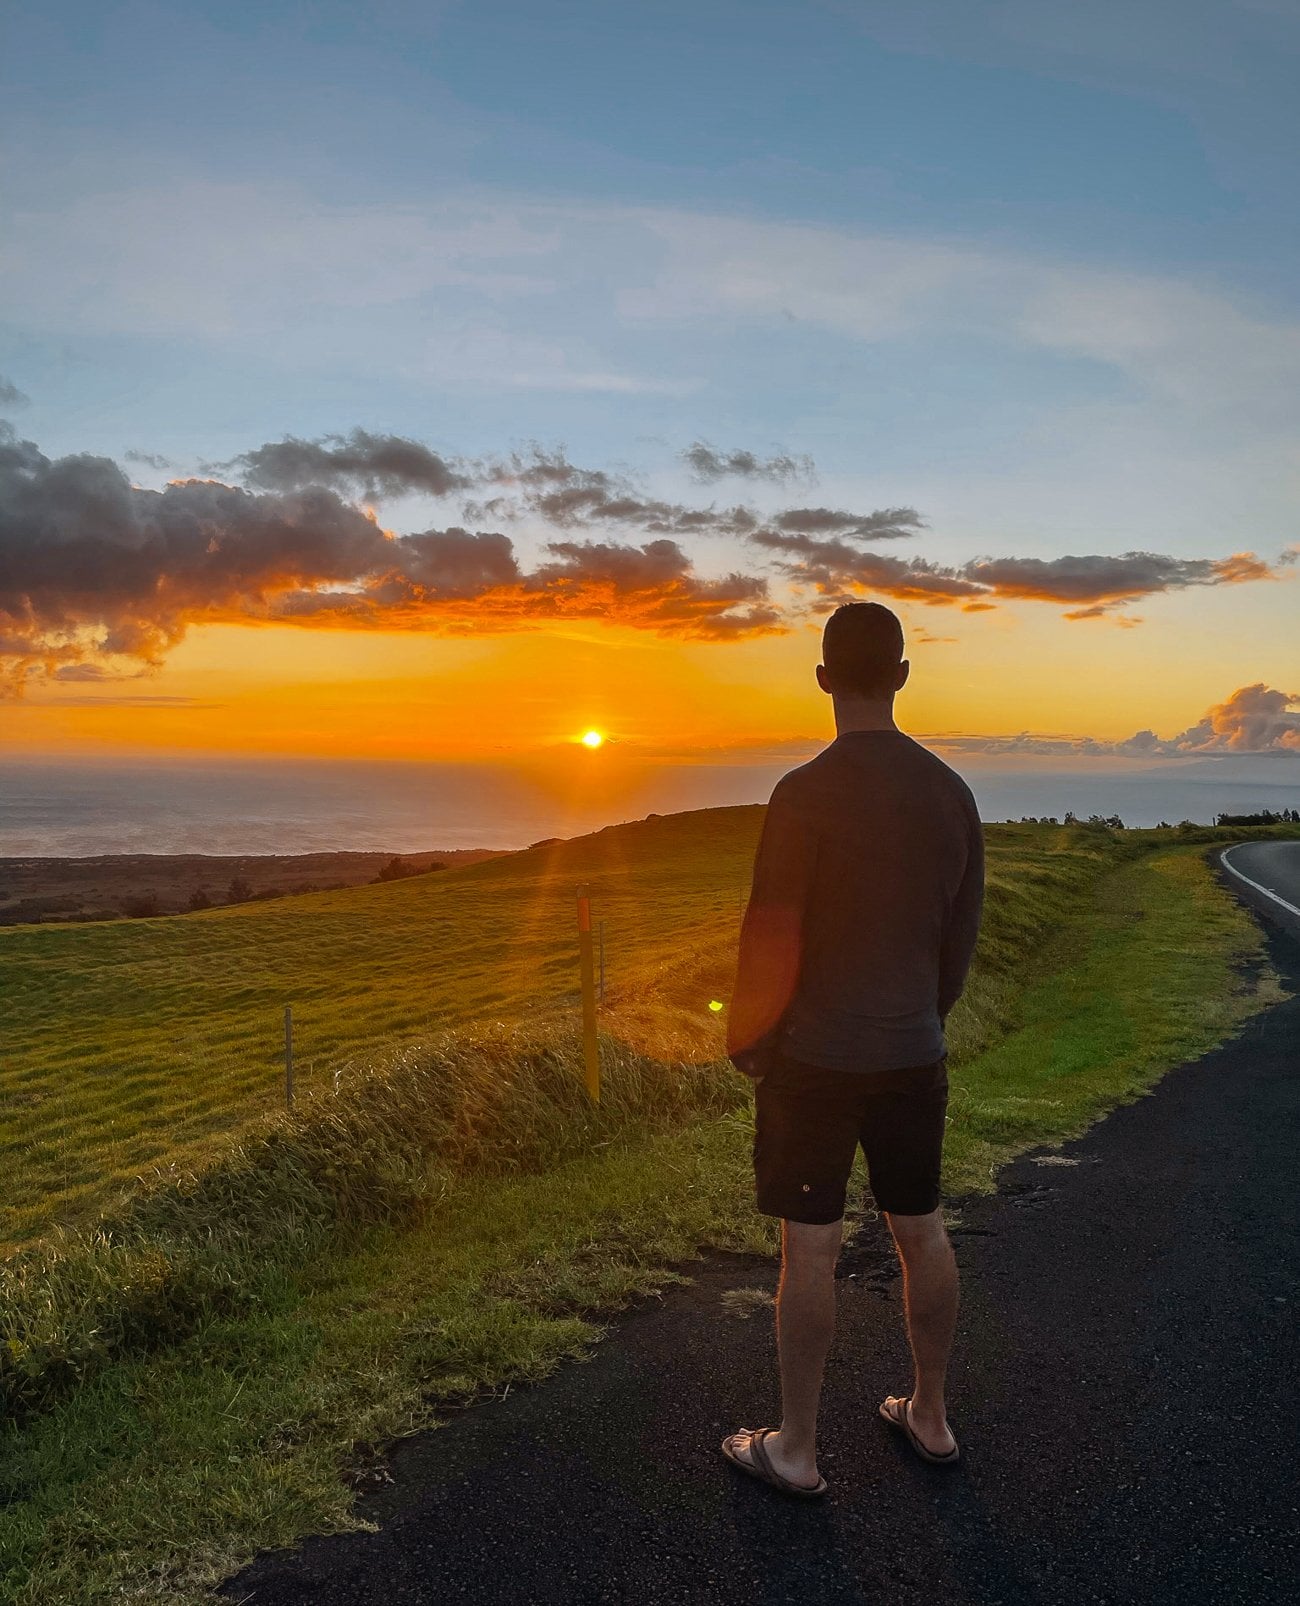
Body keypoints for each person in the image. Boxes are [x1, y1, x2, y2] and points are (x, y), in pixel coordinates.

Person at [721, 601, 984, 1497]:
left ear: (825, 678)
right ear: (903, 676)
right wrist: (922, 1014)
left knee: (812, 1248)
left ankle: (796, 1448)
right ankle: (932, 1416)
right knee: (921, 1229)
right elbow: (959, 941)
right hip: (914, 1049)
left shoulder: (801, 794)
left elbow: (770, 933)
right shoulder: (952, 793)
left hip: (816, 1061)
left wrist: (750, 1044)